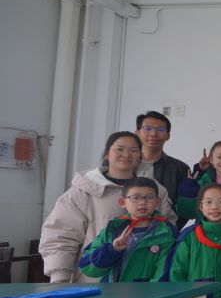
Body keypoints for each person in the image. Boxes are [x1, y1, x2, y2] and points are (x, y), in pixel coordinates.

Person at [41, 131, 175, 283]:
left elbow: (167, 231)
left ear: (140, 156)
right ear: (107, 153)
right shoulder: (82, 191)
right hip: (93, 281)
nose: (126, 154)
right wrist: (60, 277)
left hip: (144, 283)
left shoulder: (156, 190)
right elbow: (61, 234)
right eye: (120, 149)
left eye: (133, 150)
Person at [77, 177, 177, 283]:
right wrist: (112, 250)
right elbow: (87, 267)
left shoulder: (166, 233)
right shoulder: (112, 229)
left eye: (149, 197)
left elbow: (164, 275)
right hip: (111, 292)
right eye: (135, 197)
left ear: (157, 202)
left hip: (146, 292)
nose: (143, 202)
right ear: (122, 202)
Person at [135, 110, 190, 204]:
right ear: (137, 133)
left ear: (168, 136)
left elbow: (183, 205)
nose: (153, 134)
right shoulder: (125, 163)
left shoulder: (180, 168)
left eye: (160, 129)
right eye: (148, 128)